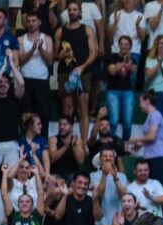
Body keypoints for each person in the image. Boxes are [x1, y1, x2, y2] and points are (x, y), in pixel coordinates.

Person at [55, 0, 98, 142]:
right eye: (70, 10)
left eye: (75, 9)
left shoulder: (87, 30)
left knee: (82, 108)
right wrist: (62, 55)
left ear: (80, 12)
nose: (72, 12)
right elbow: (55, 55)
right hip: (64, 71)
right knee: (67, 109)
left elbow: (93, 53)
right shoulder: (60, 31)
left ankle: (84, 143)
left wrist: (82, 67)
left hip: (83, 72)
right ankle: (67, 141)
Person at [129, 92, 163, 214]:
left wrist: (136, 139)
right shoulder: (151, 116)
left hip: (157, 156)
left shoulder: (155, 115)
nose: (139, 105)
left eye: (141, 101)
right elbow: (152, 139)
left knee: (159, 187)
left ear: (147, 101)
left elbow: (152, 136)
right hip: (152, 155)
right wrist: (140, 144)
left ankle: (162, 214)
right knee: (152, 187)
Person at [17, 11, 53, 134]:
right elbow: (20, 61)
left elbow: (49, 61)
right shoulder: (21, 39)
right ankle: (25, 140)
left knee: (43, 114)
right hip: (25, 80)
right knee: (26, 115)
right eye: (29, 21)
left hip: (41, 81)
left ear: (39, 22)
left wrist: (40, 49)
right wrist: (32, 49)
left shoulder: (47, 39)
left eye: (33, 21)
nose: (31, 24)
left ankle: (43, 141)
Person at [91, 148, 129, 225]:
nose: (108, 158)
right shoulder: (93, 175)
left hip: (118, 222)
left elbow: (123, 195)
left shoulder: (122, 176)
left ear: (114, 159)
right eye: (105, 156)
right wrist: (104, 175)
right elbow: (99, 194)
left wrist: (115, 177)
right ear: (100, 159)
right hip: (101, 223)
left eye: (110, 156)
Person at [49, 115, 88, 180]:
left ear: (71, 127)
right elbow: (52, 159)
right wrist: (66, 146)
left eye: (65, 125)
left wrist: (74, 146)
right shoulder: (53, 139)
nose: (61, 127)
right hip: (56, 174)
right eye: (60, 124)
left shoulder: (77, 140)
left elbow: (81, 161)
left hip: (73, 175)